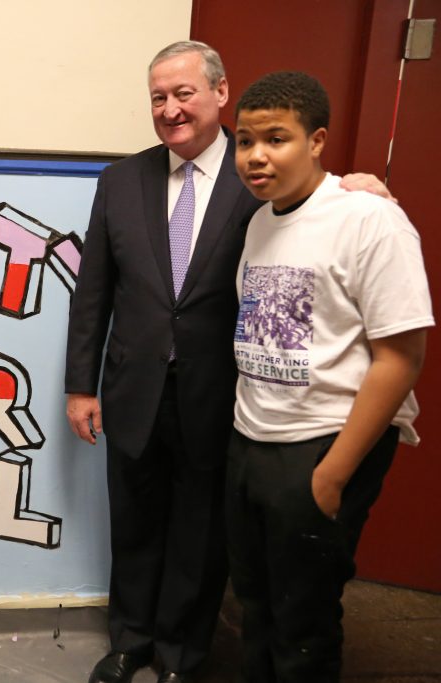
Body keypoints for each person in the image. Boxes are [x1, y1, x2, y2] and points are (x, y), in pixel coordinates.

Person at [64, 41, 392, 683]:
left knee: (199, 533)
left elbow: (320, 207)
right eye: (158, 97)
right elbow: (94, 292)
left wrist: (364, 185)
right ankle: (130, 640)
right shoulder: (120, 180)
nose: (169, 108)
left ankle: (183, 655)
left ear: (219, 94)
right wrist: (81, 385)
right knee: (133, 525)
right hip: (133, 388)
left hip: (221, 396)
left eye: (183, 93)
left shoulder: (258, 179)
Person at [227, 71, 431, 682]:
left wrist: (333, 474)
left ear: (317, 141)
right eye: (244, 140)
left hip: (322, 444)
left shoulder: (370, 219)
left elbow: (401, 358)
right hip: (253, 439)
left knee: (304, 623)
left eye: (276, 138)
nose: (256, 155)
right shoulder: (261, 220)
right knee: (254, 606)